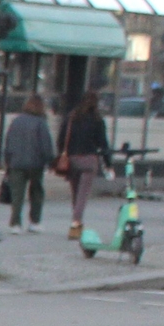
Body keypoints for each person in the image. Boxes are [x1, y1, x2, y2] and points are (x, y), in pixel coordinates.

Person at [58, 88, 109, 239]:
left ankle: (77, 223)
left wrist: (62, 154)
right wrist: (108, 163)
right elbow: (103, 143)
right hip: (89, 160)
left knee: (75, 193)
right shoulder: (97, 120)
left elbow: (61, 139)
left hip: (72, 159)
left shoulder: (71, 118)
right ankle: (76, 223)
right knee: (82, 195)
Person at [0, 93, 55, 233]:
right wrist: (50, 161)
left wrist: (8, 161)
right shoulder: (41, 122)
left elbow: (8, 142)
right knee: (36, 192)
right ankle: (34, 221)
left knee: (17, 194)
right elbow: (46, 144)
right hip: (35, 163)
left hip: (16, 162)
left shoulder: (16, 121)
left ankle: (15, 224)